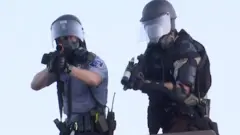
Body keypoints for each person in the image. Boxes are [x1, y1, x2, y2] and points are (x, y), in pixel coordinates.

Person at [121, 0, 219, 135]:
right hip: (166, 121)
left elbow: (182, 91)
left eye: (156, 27)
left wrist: (148, 84)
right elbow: (145, 77)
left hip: (188, 120)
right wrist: (135, 76)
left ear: (169, 23)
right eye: (149, 29)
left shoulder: (185, 50)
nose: (153, 34)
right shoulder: (152, 53)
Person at [31, 14, 110, 135]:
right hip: (70, 128)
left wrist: (68, 69)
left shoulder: (92, 61)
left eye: (70, 37)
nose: (66, 42)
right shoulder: (60, 64)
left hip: (93, 128)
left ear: (78, 38)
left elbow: (94, 79)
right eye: (61, 39)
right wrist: (51, 67)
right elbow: (35, 84)